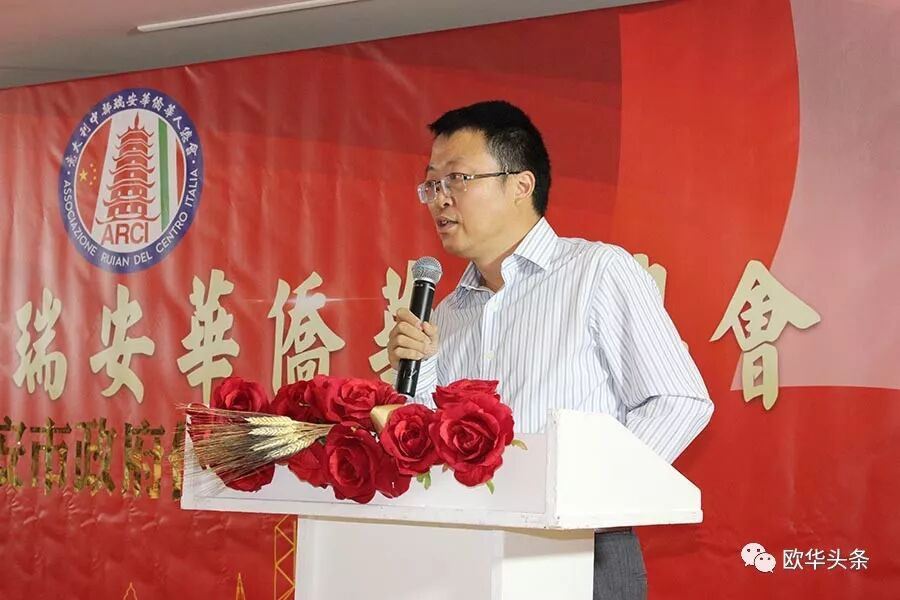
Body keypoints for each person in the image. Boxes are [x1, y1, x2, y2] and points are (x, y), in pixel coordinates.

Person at [387, 100, 713, 599]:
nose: (439, 199)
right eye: (431, 184)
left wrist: (585, 495)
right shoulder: (449, 313)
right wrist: (419, 369)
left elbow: (679, 400)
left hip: (583, 549)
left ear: (521, 185)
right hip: (470, 554)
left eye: (457, 179)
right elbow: (434, 445)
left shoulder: (597, 272)